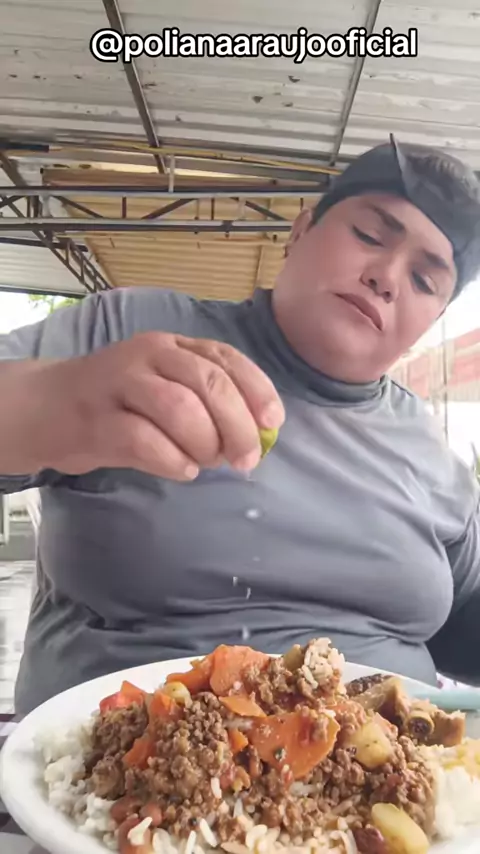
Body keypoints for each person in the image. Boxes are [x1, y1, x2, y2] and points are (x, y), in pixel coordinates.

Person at [1, 136, 480, 715]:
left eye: (425, 281)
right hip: (123, 754)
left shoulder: (429, 449)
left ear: (433, 317)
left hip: (397, 761)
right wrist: (53, 401)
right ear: (299, 232)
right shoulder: (133, 331)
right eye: (369, 235)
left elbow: (464, 618)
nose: (386, 276)